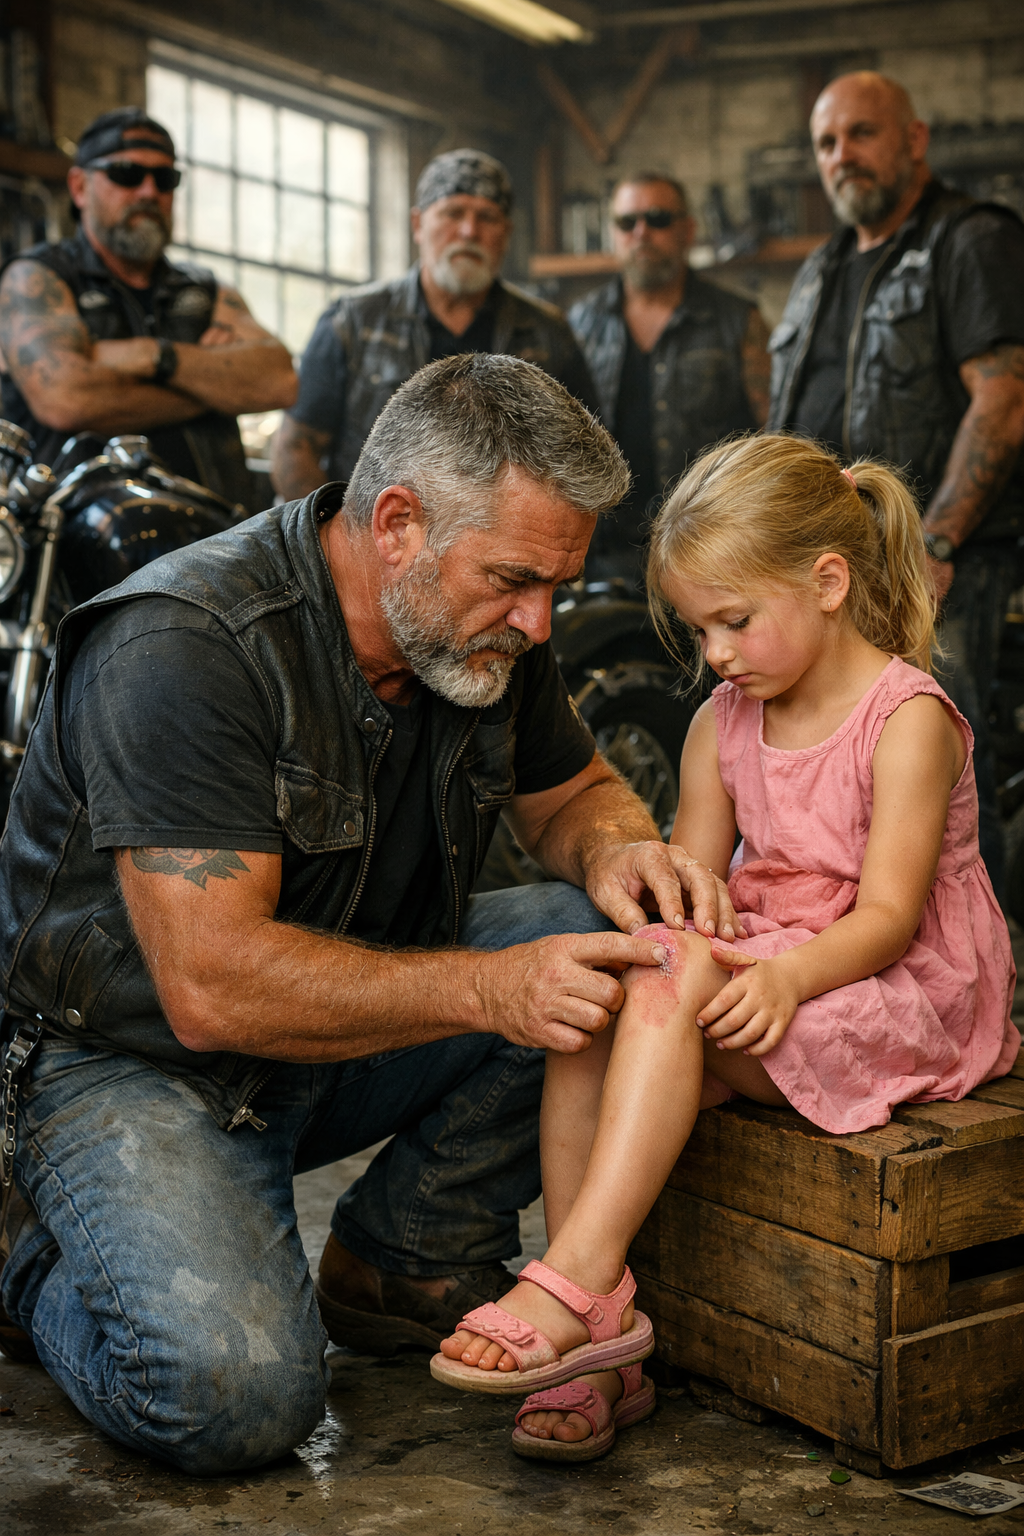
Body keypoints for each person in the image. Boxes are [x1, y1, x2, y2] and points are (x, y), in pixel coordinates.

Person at [0, 353, 742, 1475]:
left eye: (555, 585)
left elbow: (573, 794)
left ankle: (405, 1255)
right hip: (132, 1062)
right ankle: (30, 1258)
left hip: (337, 1021)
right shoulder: (181, 642)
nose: (539, 623)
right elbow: (211, 988)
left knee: (606, 943)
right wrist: (493, 989)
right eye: (514, 580)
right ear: (396, 524)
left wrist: (623, 848)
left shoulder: (487, 627)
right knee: (233, 1402)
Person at [429, 433, 1019, 1460]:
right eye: (701, 628)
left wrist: (781, 975)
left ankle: (576, 1287)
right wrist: (670, 949)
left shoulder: (905, 721)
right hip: (763, 965)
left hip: (886, 984)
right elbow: (693, 899)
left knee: (674, 978)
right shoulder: (721, 723)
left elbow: (889, 918)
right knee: (600, 1004)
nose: (716, 653)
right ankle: (597, 1340)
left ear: (828, 582)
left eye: (734, 621)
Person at [768, 71, 1024, 895]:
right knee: (847, 770)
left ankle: (975, 959)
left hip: (936, 558)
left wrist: (935, 542)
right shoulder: (822, 267)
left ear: (915, 139)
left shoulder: (970, 239)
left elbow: (1005, 398)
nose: (842, 155)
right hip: (828, 567)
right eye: (826, 142)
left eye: (862, 133)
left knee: (939, 767)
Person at [0, 106, 297, 511]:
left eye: (165, 179)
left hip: (218, 531)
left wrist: (153, 356)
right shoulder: (36, 278)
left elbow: (280, 380)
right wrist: (217, 388)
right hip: (82, 535)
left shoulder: (204, 289)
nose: (148, 192)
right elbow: (66, 399)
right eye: (126, 174)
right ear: (79, 187)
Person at [271, 147, 597, 499]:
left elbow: (583, 454)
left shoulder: (548, 333)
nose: (469, 231)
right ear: (418, 225)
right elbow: (295, 447)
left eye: (487, 217)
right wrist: (338, 530)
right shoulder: (353, 322)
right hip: (376, 525)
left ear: (506, 233)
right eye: (452, 213)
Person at [568, 173, 770, 592]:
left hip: (712, 551)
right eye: (627, 222)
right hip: (603, 558)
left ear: (687, 230)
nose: (641, 232)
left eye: (657, 219)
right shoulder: (579, 325)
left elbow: (774, 437)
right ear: (613, 233)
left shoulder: (737, 320)